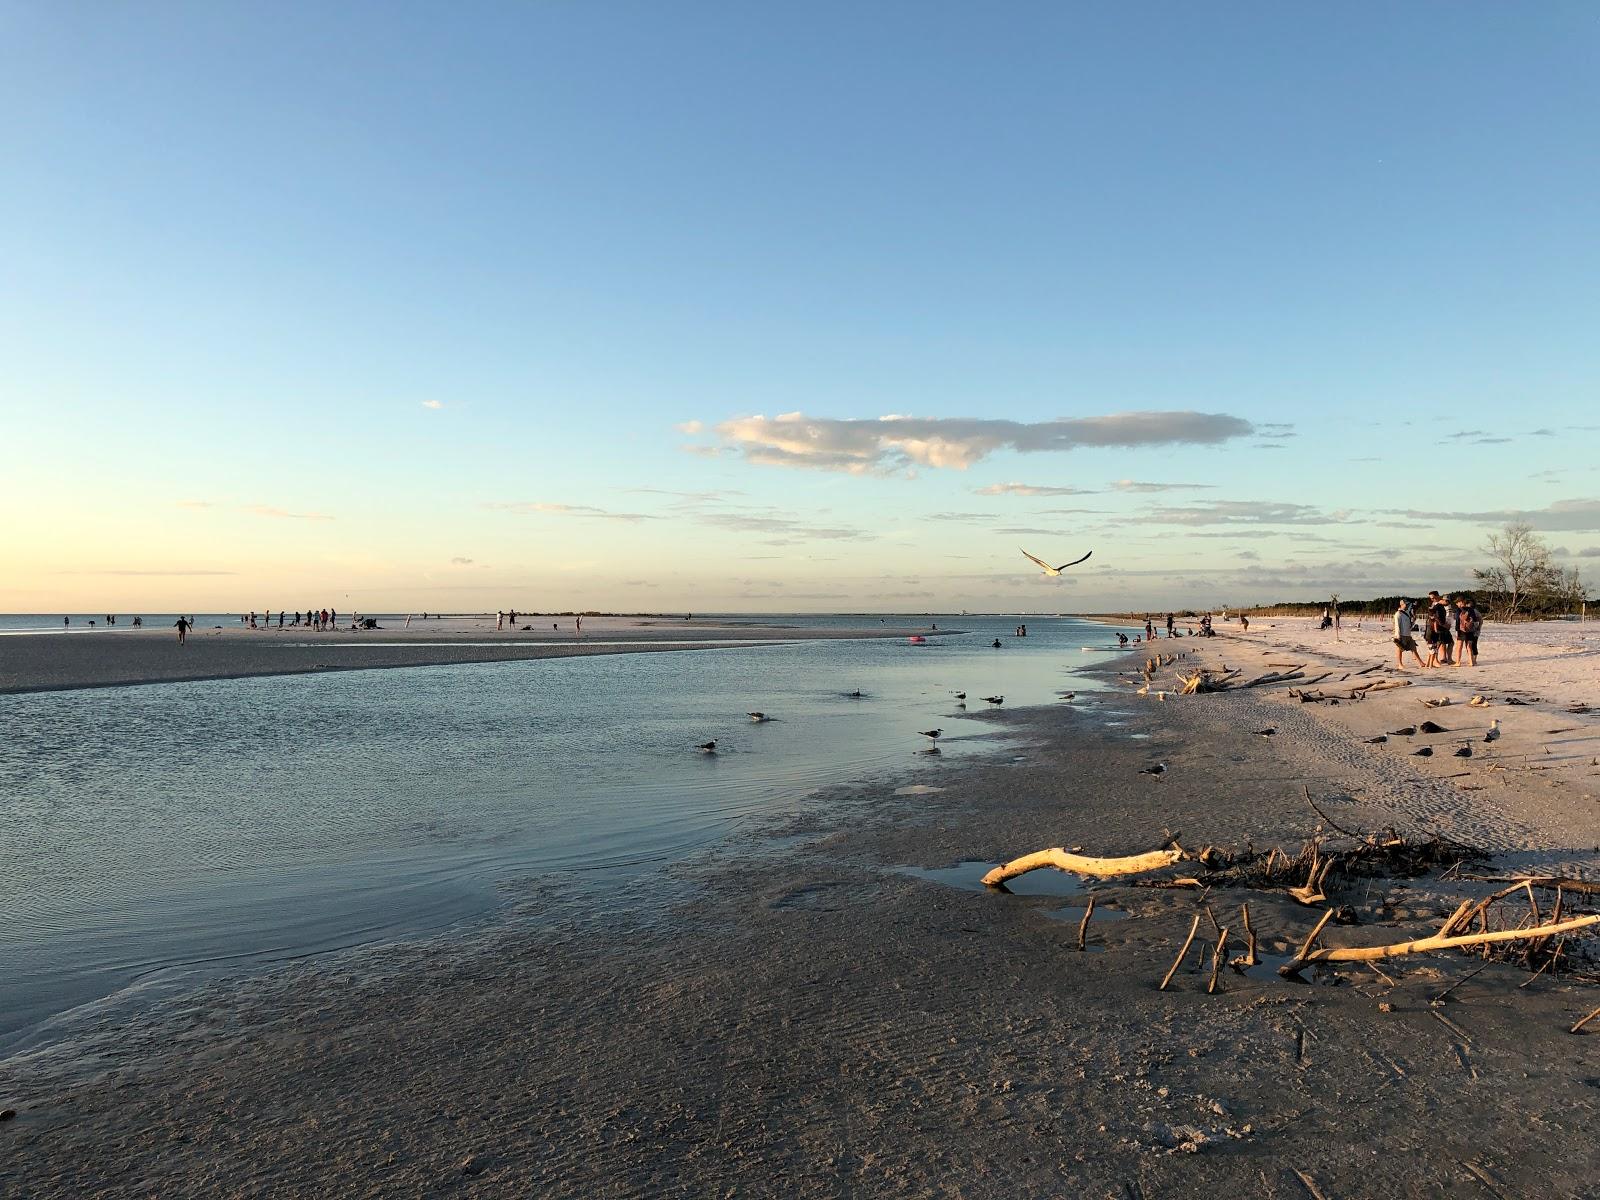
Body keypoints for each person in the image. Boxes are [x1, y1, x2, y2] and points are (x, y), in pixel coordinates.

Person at [1392, 598, 1425, 669]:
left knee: (1413, 648)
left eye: (1408, 604)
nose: (1407, 606)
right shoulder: (1398, 614)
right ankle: (1400, 664)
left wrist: (1413, 621)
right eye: (1406, 604)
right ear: (1402, 605)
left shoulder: (1407, 613)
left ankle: (1420, 662)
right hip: (1401, 635)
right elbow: (1397, 625)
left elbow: (1410, 625)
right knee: (1400, 649)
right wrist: (1397, 636)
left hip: (1408, 634)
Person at [1424, 591, 1453, 667]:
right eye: (1431, 598)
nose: (1432, 599)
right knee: (1436, 644)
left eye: (1433, 598)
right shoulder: (1437, 605)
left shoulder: (1441, 605)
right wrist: (1444, 625)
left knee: (1442, 643)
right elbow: (1434, 618)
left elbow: (1444, 617)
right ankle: (1432, 662)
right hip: (1437, 628)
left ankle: (1434, 662)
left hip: (1440, 627)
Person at [1455, 595, 1482, 666]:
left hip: (1461, 630)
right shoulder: (1471, 609)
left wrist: (1457, 630)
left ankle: (1458, 662)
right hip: (1470, 631)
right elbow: (1475, 621)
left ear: (1460, 602)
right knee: (1469, 646)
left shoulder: (1459, 610)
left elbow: (1458, 621)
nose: (1457, 604)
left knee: (1459, 647)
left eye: (1457, 602)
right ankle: (1471, 661)